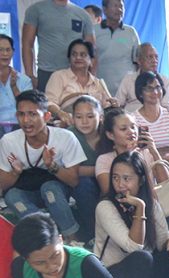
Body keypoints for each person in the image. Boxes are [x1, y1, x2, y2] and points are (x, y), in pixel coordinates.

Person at [0, 90, 84, 241]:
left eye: (32, 114)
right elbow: (4, 184)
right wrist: (15, 172)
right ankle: (46, 236)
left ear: (46, 116)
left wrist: (52, 166)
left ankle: (73, 240)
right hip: (26, 189)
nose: (26, 120)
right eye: (21, 114)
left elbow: (74, 180)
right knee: (12, 197)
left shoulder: (65, 137)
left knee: (50, 189)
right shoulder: (8, 141)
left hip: (55, 188)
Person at [22, 0, 96, 91]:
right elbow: (27, 44)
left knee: (78, 104)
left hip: (76, 73)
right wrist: (30, 75)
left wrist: (91, 77)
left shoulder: (83, 14)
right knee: (47, 104)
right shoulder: (35, 10)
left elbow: (91, 49)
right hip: (47, 73)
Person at [95, 107, 169, 194]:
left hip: (151, 201)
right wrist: (129, 157)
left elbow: (167, 186)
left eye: (133, 127)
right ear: (110, 135)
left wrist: (154, 151)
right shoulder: (104, 160)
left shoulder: (146, 153)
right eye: (123, 129)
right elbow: (111, 193)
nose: (131, 132)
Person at [44, 39, 117, 126]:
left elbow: (106, 109)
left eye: (83, 55)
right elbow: (49, 103)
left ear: (91, 60)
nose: (78, 57)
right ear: (69, 58)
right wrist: (61, 113)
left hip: (94, 127)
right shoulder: (58, 76)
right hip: (66, 124)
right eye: (74, 54)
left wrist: (114, 104)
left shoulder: (98, 83)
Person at [133, 71, 169, 173]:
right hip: (148, 167)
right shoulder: (134, 119)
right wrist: (167, 156)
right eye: (149, 89)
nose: (155, 92)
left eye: (158, 87)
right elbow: (139, 155)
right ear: (140, 93)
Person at [69, 95, 102, 242]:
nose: (84, 121)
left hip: (110, 179)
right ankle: (94, 234)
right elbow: (74, 171)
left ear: (100, 117)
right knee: (82, 183)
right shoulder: (70, 135)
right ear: (72, 118)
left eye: (90, 116)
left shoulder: (108, 133)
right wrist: (102, 169)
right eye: (79, 117)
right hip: (83, 183)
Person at [95, 0, 140, 95]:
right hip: (101, 91)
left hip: (128, 91)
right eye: (115, 6)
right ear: (104, 9)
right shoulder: (94, 30)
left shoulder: (130, 32)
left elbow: (138, 61)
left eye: (121, 6)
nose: (119, 9)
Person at [115, 43, 169, 113]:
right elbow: (119, 103)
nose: (154, 60)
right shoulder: (128, 79)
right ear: (139, 61)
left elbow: (166, 109)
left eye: (156, 57)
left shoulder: (166, 82)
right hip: (131, 120)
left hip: (156, 120)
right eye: (150, 57)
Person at [0, 35, 32, 134]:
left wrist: (14, 87)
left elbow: (29, 107)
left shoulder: (24, 80)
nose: (5, 53)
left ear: (13, 52)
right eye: (0, 50)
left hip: (20, 125)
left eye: (8, 50)